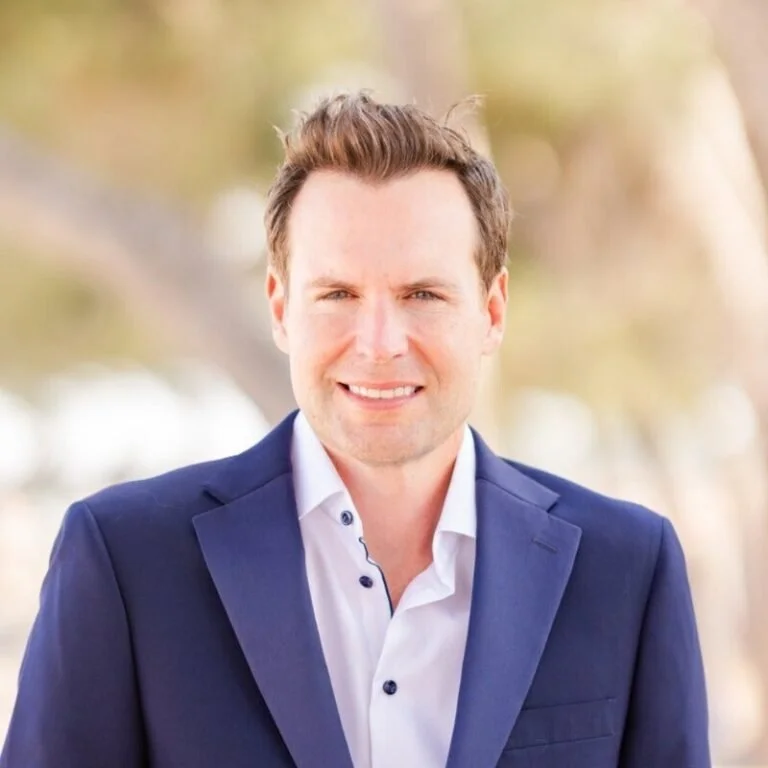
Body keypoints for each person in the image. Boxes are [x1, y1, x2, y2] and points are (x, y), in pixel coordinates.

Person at [1, 92, 710, 768]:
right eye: (338, 294)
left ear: (492, 312)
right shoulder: (125, 564)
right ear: (281, 308)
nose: (379, 342)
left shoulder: (626, 569)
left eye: (422, 294)